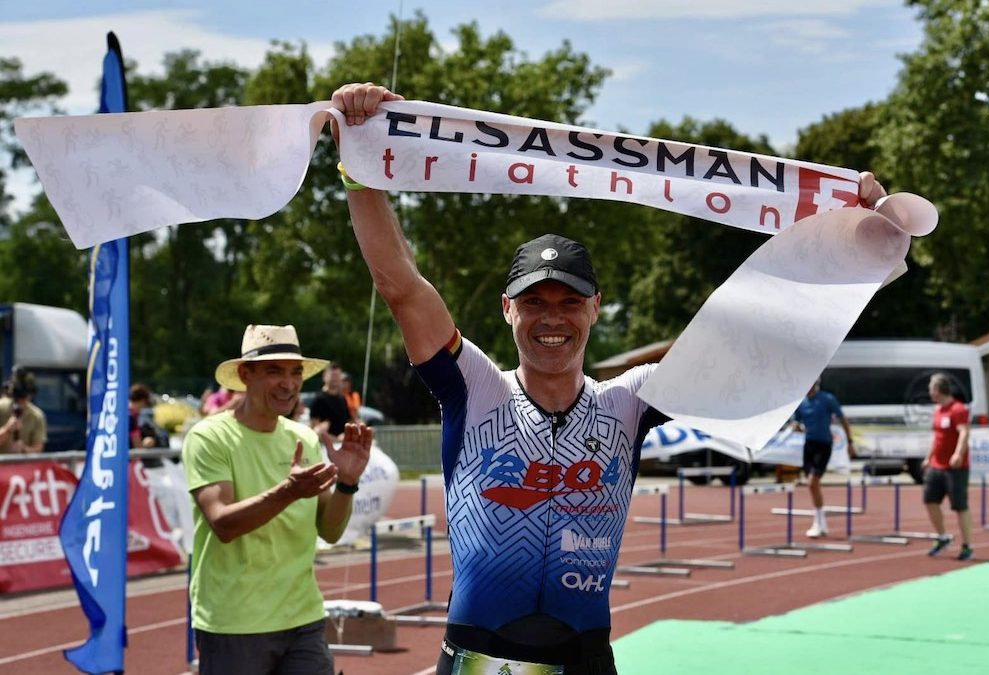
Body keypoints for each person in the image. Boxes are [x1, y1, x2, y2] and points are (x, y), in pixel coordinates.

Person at [331, 81, 887, 674]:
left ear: (595, 307)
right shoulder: (476, 388)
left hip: (585, 658)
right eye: (534, 302)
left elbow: (753, 343)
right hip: (477, 659)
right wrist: (360, 168)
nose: (551, 318)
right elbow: (402, 287)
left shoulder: (631, 401)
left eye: (568, 303)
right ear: (507, 308)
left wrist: (853, 243)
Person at [182, 324, 373, 675]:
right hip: (235, 624)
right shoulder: (209, 437)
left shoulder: (304, 438)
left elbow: (329, 531)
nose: (288, 383)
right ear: (245, 374)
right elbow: (222, 523)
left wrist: (347, 483)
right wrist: (288, 492)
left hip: (304, 620)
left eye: (295, 372)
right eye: (274, 371)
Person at [791, 378, 854, 538]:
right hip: (809, 445)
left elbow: (843, 419)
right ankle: (821, 522)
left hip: (824, 445)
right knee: (811, 485)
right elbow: (796, 422)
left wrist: (850, 442)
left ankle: (819, 522)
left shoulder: (827, 399)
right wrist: (795, 427)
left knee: (813, 482)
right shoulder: (802, 402)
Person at [922, 372, 972, 561]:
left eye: (930, 389)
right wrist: (928, 458)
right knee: (929, 500)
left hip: (955, 468)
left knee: (960, 506)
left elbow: (964, 433)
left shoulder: (958, 409)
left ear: (937, 389)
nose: (929, 392)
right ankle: (943, 537)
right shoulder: (937, 411)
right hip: (936, 466)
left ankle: (967, 546)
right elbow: (937, 438)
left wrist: (958, 453)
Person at [0, 375, 47, 454]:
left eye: (24, 399)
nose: (21, 403)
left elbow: (38, 449)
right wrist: (7, 429)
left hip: (22, 464)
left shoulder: (36, 416)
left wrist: (24, 449)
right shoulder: (1, 408)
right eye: (18, 399)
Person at [309, 362, 353, 441]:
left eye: (338, 376)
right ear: (325, 377)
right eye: (333, 375)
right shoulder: (319, 399)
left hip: (343, 444)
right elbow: (315, 428)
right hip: (325, 447)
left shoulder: (342, 399)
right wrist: (336, 440)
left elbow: (349, 422)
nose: (335, 378)